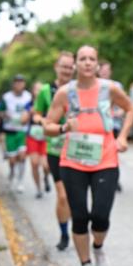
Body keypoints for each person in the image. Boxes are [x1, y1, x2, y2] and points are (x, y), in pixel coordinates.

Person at [44, 46, 133, 266]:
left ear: (97, 64)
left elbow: (130, 108)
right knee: (80, 216)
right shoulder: (65, 93)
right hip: (73, 161)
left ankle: (99, 247)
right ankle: (85, 265)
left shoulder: (110, 89)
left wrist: (122, 136)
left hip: (105, 159)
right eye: (82, 59)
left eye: (91, 59)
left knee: (101, 215)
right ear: (75, 64)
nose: (87, 63)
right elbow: (48, 126)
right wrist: (64, 127)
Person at [34, 51, 75, 250]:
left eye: (70, 66)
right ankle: (64, 234)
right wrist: (44, 121)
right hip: (55, 149)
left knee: (76, 196)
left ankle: (80, 230)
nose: (67, 70)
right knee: (63, 196)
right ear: (56, 67)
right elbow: (36, 114)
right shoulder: (45, 91)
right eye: (63, 66)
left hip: (77, 149)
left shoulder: (79, 89)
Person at [1, 75, 32, 193]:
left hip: (22, 131)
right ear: (13, 84)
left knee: (22, 156)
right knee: (12, 160)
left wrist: (27, 116)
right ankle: (12, 172)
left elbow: (33, 110)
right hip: (10, 131)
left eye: (21, 82)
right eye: (17, 82)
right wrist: (5, 115)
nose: (19, 85)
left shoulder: (28, 97)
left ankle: (20, 181)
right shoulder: (6, 97)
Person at [98, 60, 125, 193]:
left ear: (110, 72)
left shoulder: (116, 86)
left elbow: (125, 105)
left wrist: (118, 112)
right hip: (97, 126)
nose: (104, 72)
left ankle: (114, 179)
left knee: (112, 152)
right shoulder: (93, 85)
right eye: (102, 70)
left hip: (113, 125)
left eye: (107, 70)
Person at [25, 81, 49, 199]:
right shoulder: (29, 104)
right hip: (33, 136)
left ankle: (46, 177)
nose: (39, 92)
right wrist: (30, 113)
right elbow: (22, 120)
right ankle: (38, 188)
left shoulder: (48, 103)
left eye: (41, 89)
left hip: (46, 136)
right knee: (34, 163)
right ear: (33, 91)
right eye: (36, 89)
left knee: (45, 165)